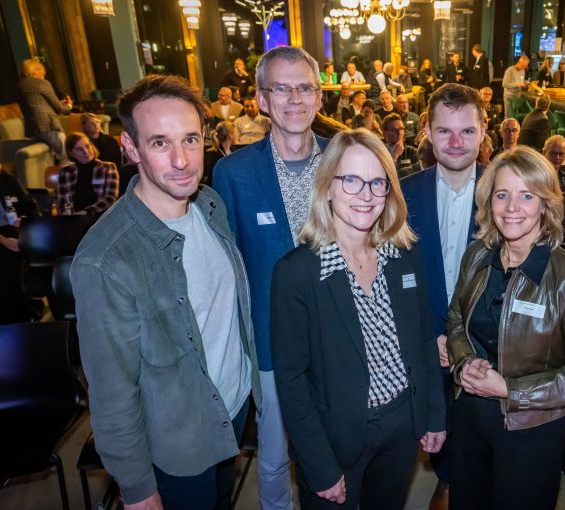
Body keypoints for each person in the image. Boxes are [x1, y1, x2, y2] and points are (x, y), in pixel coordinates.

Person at [71, 73, 262, 510]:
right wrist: (138, 488)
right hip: (175, 447)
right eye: (160, 143)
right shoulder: (105, 259)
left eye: (191, 139)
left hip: (229, 413)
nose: (182, 160)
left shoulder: (210, 205)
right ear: (130, 147)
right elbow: (112, 391)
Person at [271, 128, 446, 510]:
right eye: (351, 180)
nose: (365, 195)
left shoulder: (403, 257)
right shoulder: (297, 273)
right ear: (328, 187)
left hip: (402, 429)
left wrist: (434, 414)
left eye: (377, 182)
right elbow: (292, 381)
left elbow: (421, 342)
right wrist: (318, 466)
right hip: (337, 439)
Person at [447, 145, 565, 509]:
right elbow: (455, 318)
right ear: (489, 202)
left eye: (526, 195)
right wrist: (465, 361)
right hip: (469, 416)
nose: (512, 207)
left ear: (545, 205)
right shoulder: (477, 256)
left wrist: (508, 388)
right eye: (502, 195)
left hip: (530, 428)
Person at [213, 45, 330, 510]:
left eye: (304, 87)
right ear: (261, 100)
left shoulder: (344, 163)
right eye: (281, 88)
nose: (294, 99)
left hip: (340, 337)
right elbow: (228, 268)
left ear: (320, 97)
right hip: (270, 344)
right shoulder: (232, 173)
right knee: (277, 456)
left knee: (337, 448)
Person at [400, 83, 486, 510]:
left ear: (483, 131)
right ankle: (447, 478)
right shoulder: (402, 192)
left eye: (466, 131)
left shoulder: (504, 192)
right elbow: (393, 273)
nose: (456, 142)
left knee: (478, 430)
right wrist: (426, 336)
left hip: (485, 342)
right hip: (425, 337)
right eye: (445, 131)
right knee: (436, 423)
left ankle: (462, 482)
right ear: (428, 133)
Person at [0, 147, 40, 259]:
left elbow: (30, 205)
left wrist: (24, 220)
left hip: (14, 227)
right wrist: (5, 241)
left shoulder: (9, 180)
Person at [17, 58, 73, 162]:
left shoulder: (20, 86)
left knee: (48, 160)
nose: (43, 76)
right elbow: (60, 109)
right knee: (66, 158)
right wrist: (69, 106)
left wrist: (56, 104)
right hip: (49, 126)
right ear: (35, 72)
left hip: (33, 129)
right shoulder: (42, 83)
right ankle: (70, 177)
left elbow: (36, 105)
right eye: (42, 74)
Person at [56, 132, 119, 218]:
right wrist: (67, 215)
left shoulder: (108, 167)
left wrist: (87, 212)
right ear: (71, 153)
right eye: (79, 149)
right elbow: (62, 203)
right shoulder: (65, 172)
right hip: (74, 219)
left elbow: (110, 198)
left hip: (100, 217)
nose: (85, 151)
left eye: (87, 146)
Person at [382, 113, 419, 177]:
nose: (399, 133)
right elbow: (381, 175)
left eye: (401, 129)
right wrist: (394, 157)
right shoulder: (378, 152)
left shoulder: (413, 152)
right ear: (384, 133)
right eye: (394, 130)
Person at [205, 121, 239, 185]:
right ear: (230, 135)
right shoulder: (212, 154)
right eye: (235, 133)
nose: (236, 135)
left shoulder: (235, 151)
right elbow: (212, 178)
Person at [502, 55, 535, 119]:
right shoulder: (510, 70)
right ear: (519, 62)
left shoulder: (523, 71)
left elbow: (521, 83)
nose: (524, 68)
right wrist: (517, 84)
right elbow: (504, 84)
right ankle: (505, 128)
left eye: (525, 66)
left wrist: (525, 84)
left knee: (514, 117)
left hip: (517, 96)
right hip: (509, 96)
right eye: (523, 65)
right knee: (508, 116)